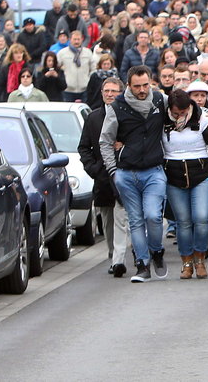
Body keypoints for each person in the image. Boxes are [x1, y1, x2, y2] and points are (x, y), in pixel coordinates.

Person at [99, 65, 169, 283]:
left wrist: (206, 119)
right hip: (126, 173)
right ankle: (142, 264)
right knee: (136, 221)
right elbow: (105, 140)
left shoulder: (160, 100)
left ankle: (156, 250)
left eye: (145, 85)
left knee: (153, 216)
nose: (142, 90)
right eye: (137, 86)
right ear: (128, 85)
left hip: (154, 170)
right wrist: (113, 171)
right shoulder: (118, 107)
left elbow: (182, 113)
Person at [162, 89, 208, 280]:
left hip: (202, 174)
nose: (180, 117)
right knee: (183, 222)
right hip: (174, 177)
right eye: (176, 113)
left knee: (202, 218)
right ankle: (186, 263)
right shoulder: (162, 122)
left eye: (184, 112)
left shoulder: (203, 120)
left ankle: (200, 258)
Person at [79, 77, 130, 277]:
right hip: (102, 178)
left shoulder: (127, 115)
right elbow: (84, 147)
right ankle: (113, 255)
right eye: (106, 91)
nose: (110, 94)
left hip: (124, 174)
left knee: (120, 217)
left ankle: (118, 259)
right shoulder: (93, 118)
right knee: (108, 220)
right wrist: (93, 169)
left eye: (114, 91)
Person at [57, 30, 95, 102]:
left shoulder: (88, 52)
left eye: (78, 39)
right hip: (68, 89)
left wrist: (89, 80)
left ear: (82, 39)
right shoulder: (62, 53)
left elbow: (93, 68)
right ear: (70, 39)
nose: (76, 41)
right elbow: (57, 67)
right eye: (74, 39)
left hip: (84, 89)